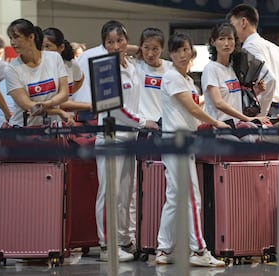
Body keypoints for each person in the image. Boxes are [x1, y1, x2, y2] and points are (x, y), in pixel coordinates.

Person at [155, 32, 229, 267]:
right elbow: (193, 109)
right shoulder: (172, 77)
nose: (182, 54)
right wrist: (216, 122)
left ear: (192, 53)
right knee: (191, 198)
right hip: (176, 143)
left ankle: (164, 249)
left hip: (182, 142)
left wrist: (207, 124)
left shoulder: (187, 81)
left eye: (185, 49)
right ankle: (198, 251)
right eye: (176, 50)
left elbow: (193, 116)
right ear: (171, 54)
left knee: (175, 198)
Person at [92, 20, 159, 262]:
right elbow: (116, 110)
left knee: (125, 194)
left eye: (120, 40)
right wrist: (143, 122)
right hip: (111, 138)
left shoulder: (132, 66)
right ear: (104, 45)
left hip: (130, 139)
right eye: (110, 42)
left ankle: (122, 239)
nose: (116, 45)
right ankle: (106, 245)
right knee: (109, 193)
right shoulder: (102, 69)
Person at [226, 3, 279, 118]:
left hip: (264, 111)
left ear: (243, 22)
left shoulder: (249, 48)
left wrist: (260, 114)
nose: (231, 32)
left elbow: (270, 79)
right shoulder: (274, 47)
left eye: (232, 25)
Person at [201, 22, 269, 129]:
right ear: (213, 42)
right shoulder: (211, 69)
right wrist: (247, 119)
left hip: (235, 126)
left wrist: (256, 90)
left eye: (230, 39)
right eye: (222, 39)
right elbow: (218, 102)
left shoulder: (233, 69)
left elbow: (233, 96)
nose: (226, 43)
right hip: (220, 128)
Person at [5, 18, 72, 127]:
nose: (12, 42)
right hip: (24, 130)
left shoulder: (54, 58)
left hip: (52, 129)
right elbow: (28, 105)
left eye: (16, 37)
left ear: (31, 37)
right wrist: (58, 111)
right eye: (10, 38)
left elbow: (64, 94)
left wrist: (48, 104)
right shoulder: (11, 69)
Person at [42, 27, 91, 112]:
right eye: (41, 47)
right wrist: (89, 106)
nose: (44, 51)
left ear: (61, 47)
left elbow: (80, 79)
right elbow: (57, 102)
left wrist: (68, 94)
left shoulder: (70, 64)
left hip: (66, 119)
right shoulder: (40, 69)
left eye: (47, 46)